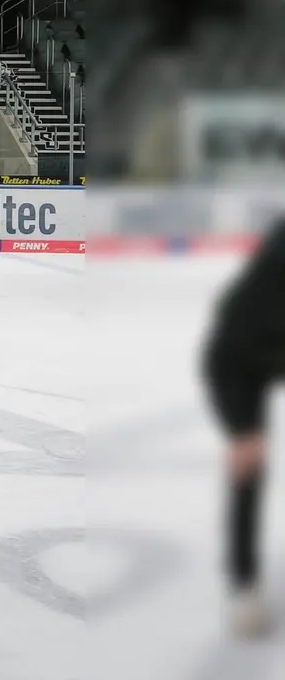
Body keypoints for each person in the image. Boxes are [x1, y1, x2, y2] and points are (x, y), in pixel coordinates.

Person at [202, 217, 284, 638]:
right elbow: (224, 355)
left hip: (270, 351)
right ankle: (244, 584)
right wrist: (240, 428)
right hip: (239, 364)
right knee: (249, 462)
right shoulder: (261, 293)